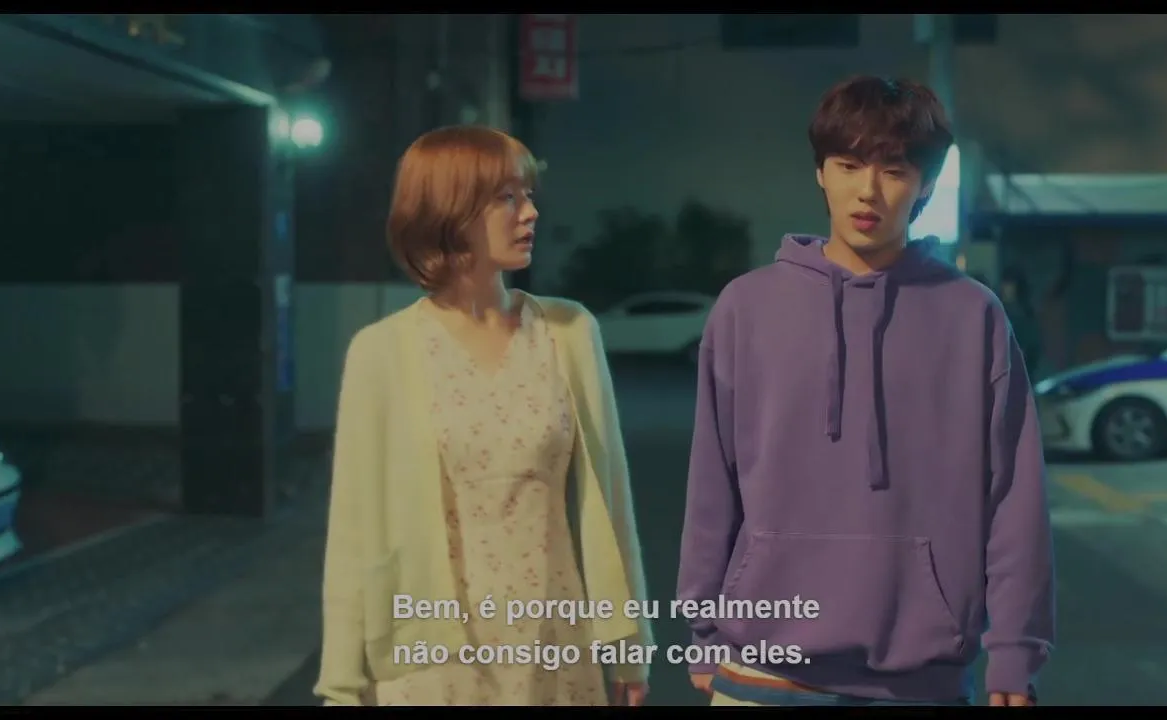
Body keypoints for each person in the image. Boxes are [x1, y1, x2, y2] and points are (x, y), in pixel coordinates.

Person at [676, 76, 1056, 707]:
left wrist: (1016, 651)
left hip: (919, 677)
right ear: (820, 172)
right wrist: (703, 628)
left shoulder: (972, 315)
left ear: (925, 184)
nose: (868, 191)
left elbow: (1015, 499)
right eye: (848, 165)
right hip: (760, 667)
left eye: (894, 170)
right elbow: (712, 482)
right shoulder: (747, 307)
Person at [314, 125, 652, 707]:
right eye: (507, 197)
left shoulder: (569, 331)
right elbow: (353, 529)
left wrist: (629, 645)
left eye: (529, 195)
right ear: (451, 210)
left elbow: (611, 500)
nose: (531, 213)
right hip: (431, 659)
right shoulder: (381, 352)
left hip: (552, 645)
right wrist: (343, 686)